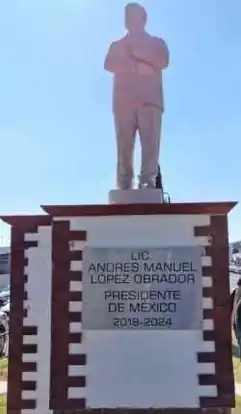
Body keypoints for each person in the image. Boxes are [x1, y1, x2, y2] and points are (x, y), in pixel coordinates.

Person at [104, 3, 169, 190]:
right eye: (127, 15)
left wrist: (136, 54)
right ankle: (124, 185)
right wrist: (138, 66)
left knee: (150, 149)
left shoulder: (156, 43)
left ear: (143, 19)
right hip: (124, 103)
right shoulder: (116, 46)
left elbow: (163, 60)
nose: (128, 19)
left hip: (150, 102)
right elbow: (109, 63)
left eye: (132, 15)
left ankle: (148, 183)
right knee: (124, 150)